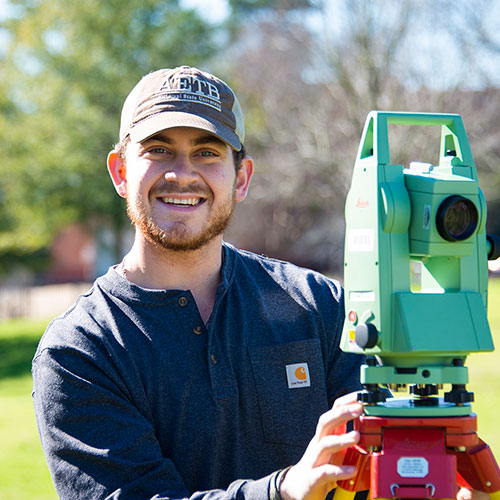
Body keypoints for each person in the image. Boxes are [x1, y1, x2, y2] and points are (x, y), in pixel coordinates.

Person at [31, 65, 366, 500]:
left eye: (207, 152)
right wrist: (281, 492)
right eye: (159, 150)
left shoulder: (321, 307)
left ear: (241, 177)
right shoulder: (81, 350)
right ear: (120, 172)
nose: (182, 174)